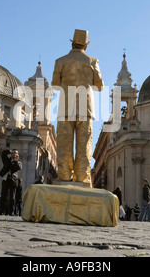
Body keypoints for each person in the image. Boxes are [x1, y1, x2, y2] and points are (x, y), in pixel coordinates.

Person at [51, 29, 104, 186]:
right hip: (86, 108)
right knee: (84, 144)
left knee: (64, 145)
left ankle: (64, 177)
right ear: (85, 45)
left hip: (65, 107)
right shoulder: (93, 61)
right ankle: (82, 178)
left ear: (72, 43)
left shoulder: (60, 61)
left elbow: (55, 84)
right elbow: (99, 86)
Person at [0, 149, 22, 215]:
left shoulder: (18, 162)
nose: (14, 154)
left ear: (18, 155)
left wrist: (15, 160)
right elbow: (3, 153)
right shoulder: (6, 160)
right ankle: (2, 211)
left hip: (13, 179)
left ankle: (11, 211)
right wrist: (10, 151)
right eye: (13, 153)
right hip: (6, 178)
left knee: (12, 196)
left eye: (16, 153)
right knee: (3, 194)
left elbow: (17, 168)